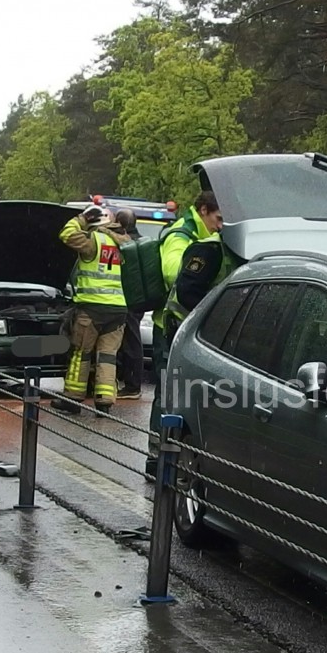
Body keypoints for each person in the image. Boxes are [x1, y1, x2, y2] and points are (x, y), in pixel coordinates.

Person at [146, 192, 223, 474]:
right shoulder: (182, 233)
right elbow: (172, 273)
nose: (219, 225)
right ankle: (157, 459)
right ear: (203, 210)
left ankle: (175, 456)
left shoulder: (209, 238)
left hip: (190, 328)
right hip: (169, 327)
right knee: (168, 394)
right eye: (217, 218)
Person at [54, 204, 131, 414]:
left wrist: (81, 218)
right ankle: (105, 401)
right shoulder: (126, 244)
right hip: (118, 310)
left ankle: (73, 399)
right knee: (107, 356)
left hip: (92, 308)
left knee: (81, 353)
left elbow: (66, 234)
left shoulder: (93, 241)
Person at [113, 208, 144, 400]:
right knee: (130, 340)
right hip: (138, 300)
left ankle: (132, 386)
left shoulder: (125, 243)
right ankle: (129, 382)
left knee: (130, 342)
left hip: (126, 299)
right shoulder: (141, 241)